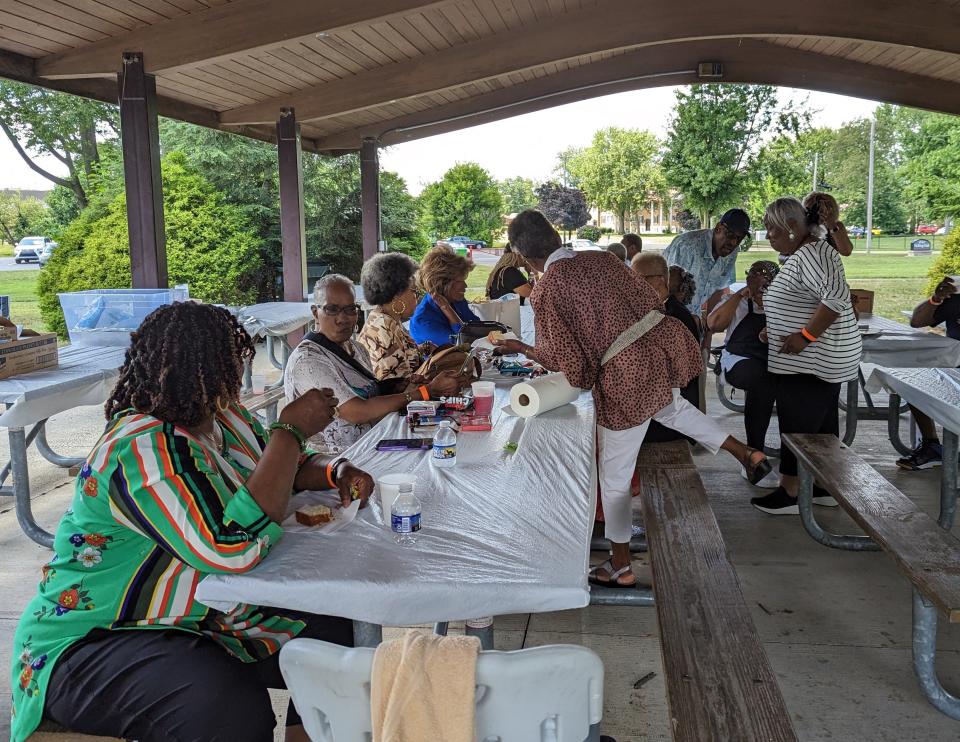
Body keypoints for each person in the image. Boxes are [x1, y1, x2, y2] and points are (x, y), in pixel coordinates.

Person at [9, 302, 375, 742]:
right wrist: (290, 431)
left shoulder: (224, 418)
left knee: (336, 631)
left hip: (197, 617)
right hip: (97, 639)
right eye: (231, 360)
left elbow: (280, 470)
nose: (239, 371)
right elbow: (230, 549)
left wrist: (335, 470)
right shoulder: (141, 448)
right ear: (201, 368)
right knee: (227, 703)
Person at [494, 210, 771, 587]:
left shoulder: (547, 291)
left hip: (626, 375)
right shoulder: (602, 258)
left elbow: (571, 366)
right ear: (556, 237)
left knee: (614, 477)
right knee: (672, 408)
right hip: (660, 345)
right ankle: (746, 452)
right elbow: (648, 296)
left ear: (525, 258)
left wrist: (523, 347)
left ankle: (620, 565)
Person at [751, 197, 862, 515]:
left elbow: (836, 298)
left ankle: (791, 491)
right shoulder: (806, 252)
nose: (768, 235)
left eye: (771, 229)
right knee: (821, 428)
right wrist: (776, 328)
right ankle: (823, 486)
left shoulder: (812, 252)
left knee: (798, 427)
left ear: (790, 227)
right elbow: (806, 299)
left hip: (812, 360)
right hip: (816, 359)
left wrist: (805, 336)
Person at [285, 274, 463, 452]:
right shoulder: (308, 361)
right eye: (332, 309)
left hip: (374, 442)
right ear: (316, 313)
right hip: (337, 463)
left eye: (350, 310)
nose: (342, 319)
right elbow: (358, 411)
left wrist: (400, 386)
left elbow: (369, 391)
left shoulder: (356, 349)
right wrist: (425, 391)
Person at [707, 260, 781, 484]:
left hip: (772, 361)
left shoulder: (779, 302)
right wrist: (739, 297)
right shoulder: (738, 301)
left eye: (767, 284)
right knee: (762, 382)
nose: (762, 290)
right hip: (738, 359)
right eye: (757, 282)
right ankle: (754, 455)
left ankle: (794, 456)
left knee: (791, 384)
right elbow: (713, 324)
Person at [357, 252, 467, 391]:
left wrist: (422, 349)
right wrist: (434, 386)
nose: (417, 298)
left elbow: (401, 360)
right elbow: (399, 389)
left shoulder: (387, 319)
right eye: (414, 292)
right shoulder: (384, 327)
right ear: (397, 295)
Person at [632, 252, 699, 444]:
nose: (633, 284)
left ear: (660, 281)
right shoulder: (656, 309)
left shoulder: (674, 317)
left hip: (665, 422)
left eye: (638, 278)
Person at [895, 276, 959, 470]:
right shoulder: (955, 297)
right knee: (915, 378)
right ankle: (932, 446)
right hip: (953, 365)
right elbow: (917, 321)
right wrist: (936, 298)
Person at [663, 208, 751, 313]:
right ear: (718, 228)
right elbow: (670, 291)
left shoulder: (731, 251)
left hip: (694, 314)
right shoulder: (687, 246)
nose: (733, 242)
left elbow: (718, 288)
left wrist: (709, 325)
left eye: (739, 238)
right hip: (667, 313)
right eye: (730, 235)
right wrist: (686, 320)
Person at [410, 245, 482, 347]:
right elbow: (463, 345)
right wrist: (447, 310)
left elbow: (478, 327)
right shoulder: (423, 320)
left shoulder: (457, 300)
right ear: (442, 283)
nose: (465, 286)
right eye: (459, 281)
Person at [803, 191, 854, 257]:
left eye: (827, 207)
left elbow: (847, 251)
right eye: (817, 207)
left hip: (829, 265)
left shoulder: (837, 226)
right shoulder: (803, 225)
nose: (821, 212)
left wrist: (832, 226)